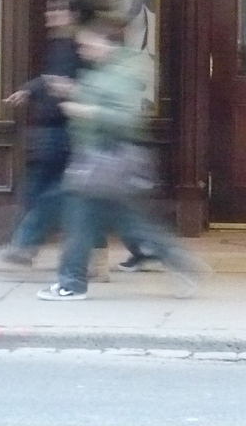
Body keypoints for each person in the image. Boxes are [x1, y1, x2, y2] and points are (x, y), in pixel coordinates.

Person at [37, 21, 202, 301]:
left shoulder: (124, 72)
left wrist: (86, 110)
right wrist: (72, 92)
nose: (83, 50)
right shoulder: (102, 71)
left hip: (108, 158)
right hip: (99, 160)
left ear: (107, 43)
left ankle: (72, 283)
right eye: (81, 46)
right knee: (126, 222)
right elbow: (101, 98)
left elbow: (127, 118)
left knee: (81, 219)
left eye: (88, 45)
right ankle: (177, 259)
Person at [0, 0, 85, 267]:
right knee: (44, 194)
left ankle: (25, 246)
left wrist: (58, 89)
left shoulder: (76, 46)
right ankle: (25, 246)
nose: (50, 15)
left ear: (73, 15)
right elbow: (51, 78)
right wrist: (31, 88)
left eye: (57, 10)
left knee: (49, 195)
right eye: (50, 9)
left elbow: (69, 83)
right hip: (53, 132)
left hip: (63, 132)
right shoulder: (62, 45)